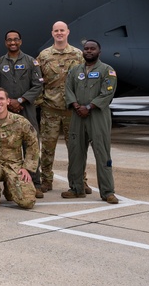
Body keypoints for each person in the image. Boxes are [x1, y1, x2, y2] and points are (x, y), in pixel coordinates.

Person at [62, 40, 119, 204]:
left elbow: (107, 93)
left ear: (99, 51)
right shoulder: (74, 71)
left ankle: (108, 192)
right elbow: (68, 89)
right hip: (77, 115)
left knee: (102, 154)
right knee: (75, 153)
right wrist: (76, 106)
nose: (88, 51)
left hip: (98, 116)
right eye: (86, 49)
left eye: (92, 49)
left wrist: (89, 107)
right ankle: (76, 188)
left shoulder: (107, 71)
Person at [0, 29, 44, 197]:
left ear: (20, 41)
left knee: (31, 145)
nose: (12, 42)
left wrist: (20, 101)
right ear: (5, 42)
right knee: (5, 147)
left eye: (16, 39)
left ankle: (35, 182)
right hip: (5, 112)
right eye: (9, 40)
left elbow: (38, 85)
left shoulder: (30, 62)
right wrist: (7, 103)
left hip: (26, 109)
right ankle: (8, 182)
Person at [36, 21, 88, 195]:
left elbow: (84, 80)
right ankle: (46, 181)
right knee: (48, 148)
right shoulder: (44, 56)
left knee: (75, 148)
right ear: (52, 33)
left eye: (62, 30)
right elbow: (37, 81)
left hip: (71, 111)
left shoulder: (78, 54)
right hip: (50, 110)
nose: (59, 33)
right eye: (56, 31)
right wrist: (40, 101)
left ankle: (81, 180)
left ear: (68, 32)